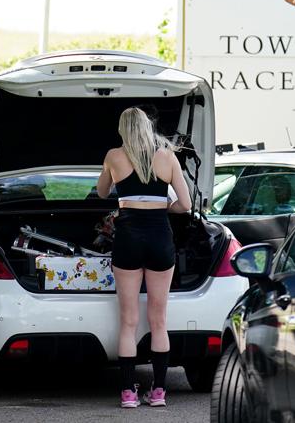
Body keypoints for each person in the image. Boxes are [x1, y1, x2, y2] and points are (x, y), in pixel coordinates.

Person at [96, 107, 192, 409]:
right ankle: (159, 392)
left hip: (127, 240)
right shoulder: (167, 156)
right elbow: (185, 205)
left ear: (123, 129)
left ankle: (127, 393)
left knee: (128, 321)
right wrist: (161, 204)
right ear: (148, 126)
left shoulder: (114, 155)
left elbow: (101, 193)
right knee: (158, 319)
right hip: (160, 239)